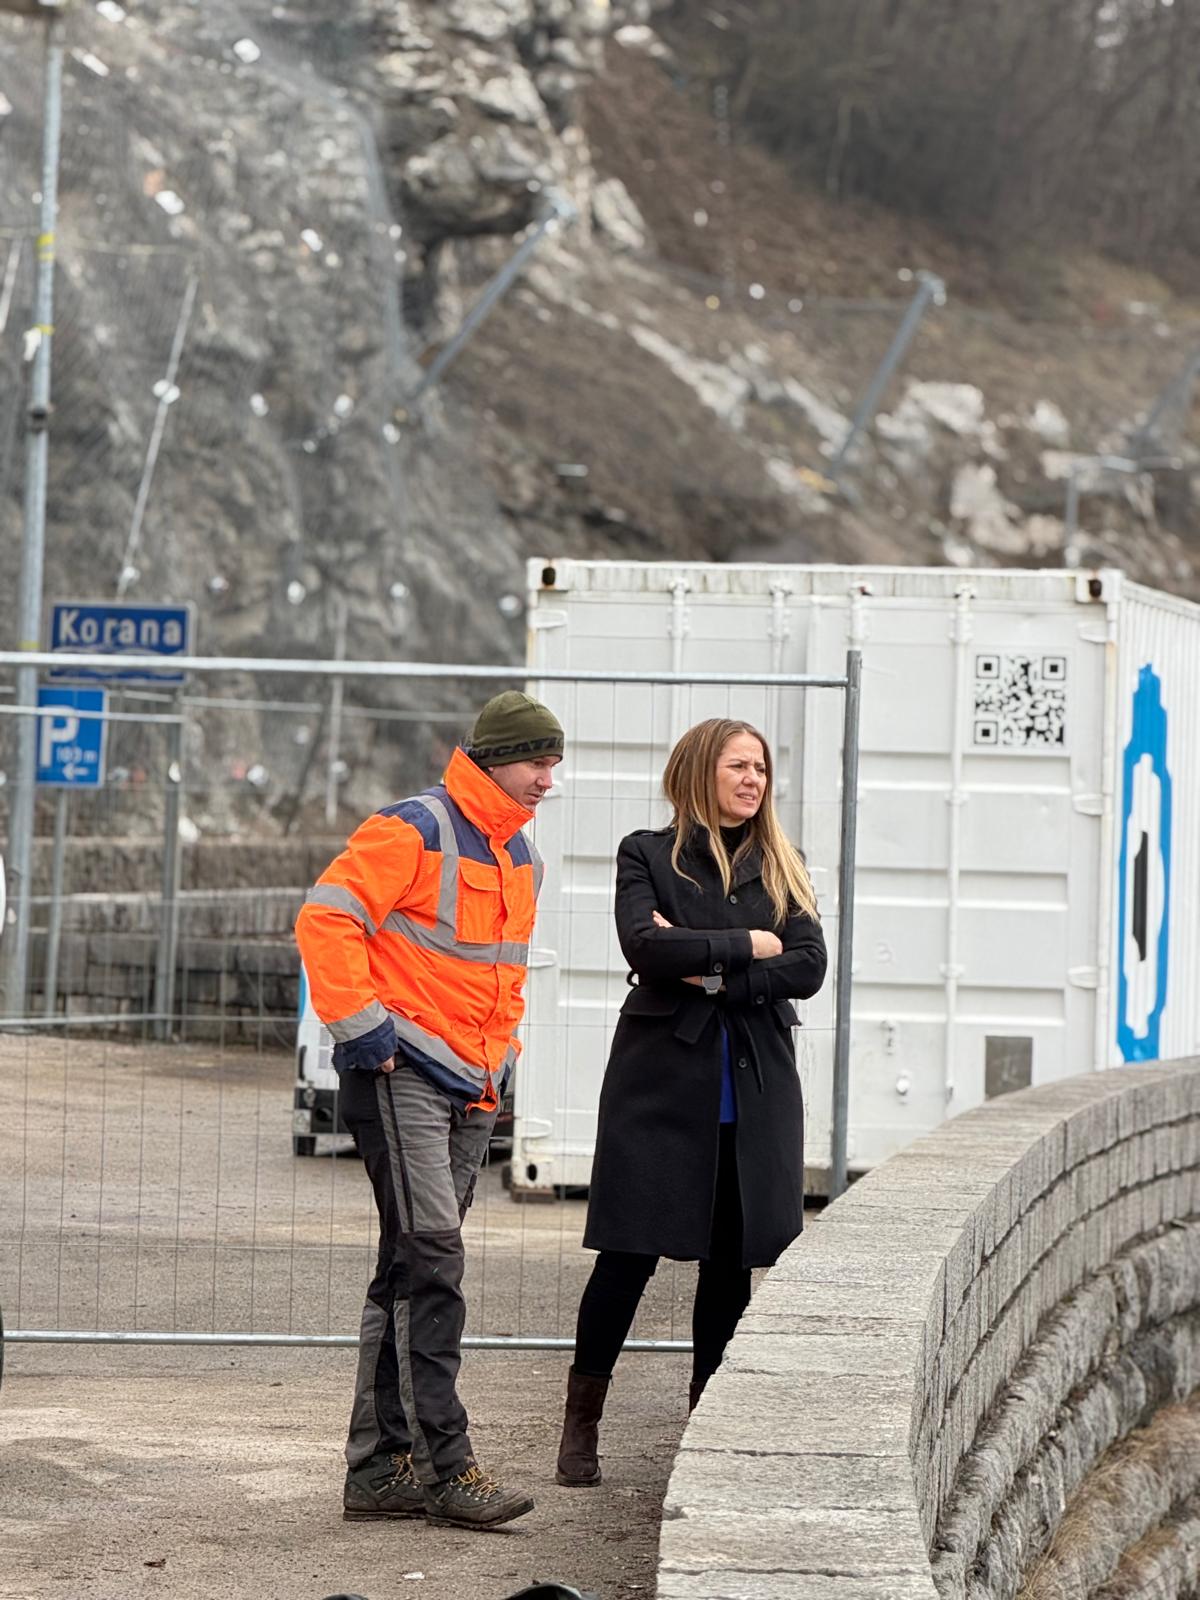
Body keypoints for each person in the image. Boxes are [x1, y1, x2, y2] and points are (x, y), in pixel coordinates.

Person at [295, 690, 564, 1529]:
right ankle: (449, 1468)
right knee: (433, 1261)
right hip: (403, 1072)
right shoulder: (413, 827)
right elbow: (325, 919)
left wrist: (501, 1064)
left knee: (408, 1269)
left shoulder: (520, 854)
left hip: (471, 1086)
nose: (548, 779)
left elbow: (501, 973)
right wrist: (368, 1033)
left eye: (554, 763)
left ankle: (380, 1469)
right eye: (537, 761)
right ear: (497, 759)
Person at [555, 717, 827, 1487]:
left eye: (761, 769)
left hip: (755, 1089)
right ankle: (581, 1426)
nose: (753, 780)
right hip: (661, 1085)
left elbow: (809, 966)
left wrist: (704, 968)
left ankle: (705, 1431)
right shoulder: (645, 853)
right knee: (626, 1257)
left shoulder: (783, 863)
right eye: (739, 766)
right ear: (700, 771)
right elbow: (644, 947)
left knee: (729, 1267)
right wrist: (750, 944)